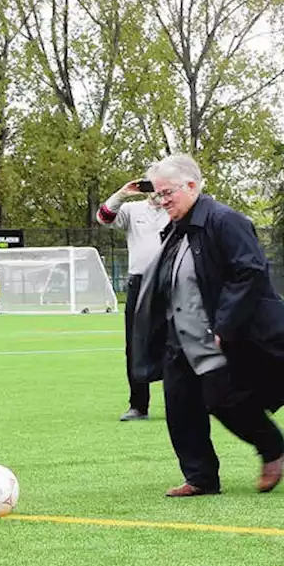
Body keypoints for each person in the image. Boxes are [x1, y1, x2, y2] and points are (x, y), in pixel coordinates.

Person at [130, 154, 284, 497]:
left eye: (168, 193)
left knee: (227, 402)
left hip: (217, 335)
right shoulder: (175, 229)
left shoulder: (225, 221)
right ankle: (200, 478)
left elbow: (249, 272)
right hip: (180, 336)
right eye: (159, 195)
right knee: (180, 407)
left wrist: (226, 326)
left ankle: (272, 448)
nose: (162, 201)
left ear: (192, 186)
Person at [97, 172, 171, 422]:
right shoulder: (132, 209)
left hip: (172, 282)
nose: (158, 189)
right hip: (139, 283)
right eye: (153, 183)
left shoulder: (175, 209)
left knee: (180, 342)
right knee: (136, 345)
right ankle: (138, 405)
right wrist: (122, 193)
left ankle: (187, 400)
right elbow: (104, 216)